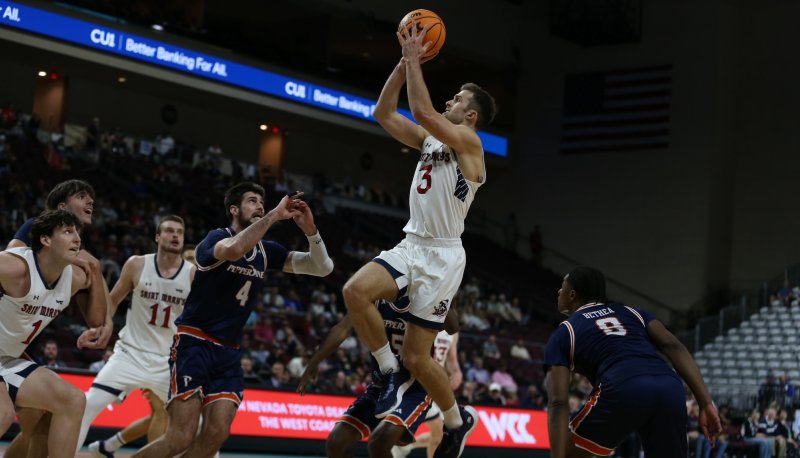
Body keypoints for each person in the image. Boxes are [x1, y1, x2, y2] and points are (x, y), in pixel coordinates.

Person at [342, 20, 496, 458]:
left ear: (471, 115)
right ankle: (387, 371)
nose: (450, 100)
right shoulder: (432, 141)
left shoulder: (470, 144)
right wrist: (402, 63)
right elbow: (384, 114)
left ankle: (455, 419)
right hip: (412, 244)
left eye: (459, 99)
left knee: (419, 358)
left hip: (444, 256)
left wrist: (415, 58)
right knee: (355, 292)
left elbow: (425, 112)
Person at [133, 182, 333, 457]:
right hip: (195, 343)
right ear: (234, 209)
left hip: (228, 352)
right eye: (252, 201)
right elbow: (235, 249)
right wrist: (273, 215)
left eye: (263, 202)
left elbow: (323, 268)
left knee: (216, 434)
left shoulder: (266, 251)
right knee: (181, 437)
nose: (260, 206)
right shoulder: (215, 238)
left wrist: (311, 231)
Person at [544, 266, 721, 457]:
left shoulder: (565, 331)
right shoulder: (633, 312)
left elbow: (558, 402)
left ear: (572, 295)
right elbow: (673, 346)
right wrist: (706, 403)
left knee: (567, 452)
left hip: (623, 385)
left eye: (562, 287)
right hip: (669, 386)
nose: (558, 291)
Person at [77, 215, 195, 456]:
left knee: (198, 424)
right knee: (86, 406)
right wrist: (102, 326)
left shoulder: (193, 274)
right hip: (130, 354)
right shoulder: (137, 264)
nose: (175, 236)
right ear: (157, 236)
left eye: (179, 232)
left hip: (168, 362)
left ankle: (109, 447)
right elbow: (113, 300)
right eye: (170, 231)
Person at [0, 209, 108, 458]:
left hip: (7, 359)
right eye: (68, 231)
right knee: (3, 415)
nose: (77, 239)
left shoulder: (74, 278)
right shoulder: (14, 266)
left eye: (78, 233)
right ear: (45, 240)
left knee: (72, 400)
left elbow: (97, 319)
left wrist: (96, 270)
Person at [298, 299, 458, 458]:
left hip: (415, 387)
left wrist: (441, 292)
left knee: (380, 442)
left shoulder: (423, 292)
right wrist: (314, 361)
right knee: (336, 443)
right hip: (381, 385)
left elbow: (453, 327)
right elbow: (342, 329)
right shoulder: (373, 294)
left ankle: (457, 422)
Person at [392, 330, 462, 458]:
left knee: (438, 437)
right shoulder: (427, 317)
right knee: (440, 433)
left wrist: (456, 372)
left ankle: (405, 447)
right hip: (418, 382)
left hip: (437, 385)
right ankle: (400, 447)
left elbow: (451, 360)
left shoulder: (453, 331)